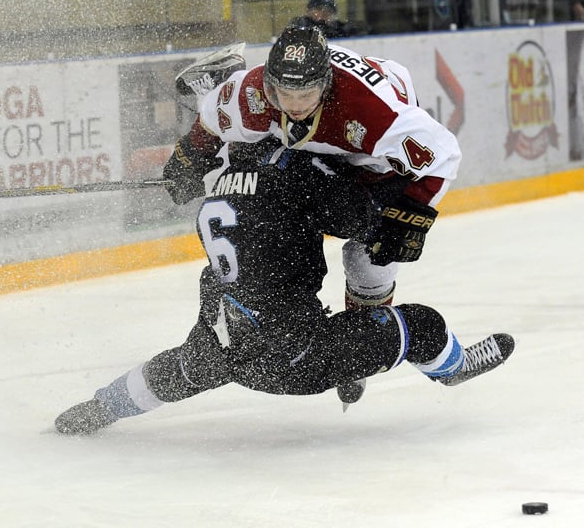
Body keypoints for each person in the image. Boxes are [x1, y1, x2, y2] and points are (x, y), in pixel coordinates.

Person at [55, 142, 514, 435]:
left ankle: (98, 408)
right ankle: (450, 368)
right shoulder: (297, 174)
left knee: (178, 369)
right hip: (296, 360)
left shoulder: (221, 184)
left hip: (224, 340)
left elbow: (265, 225)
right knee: (422, 325)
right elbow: (361, 222)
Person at [169, 26, 461, 404]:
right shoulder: (254, 95)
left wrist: (410, 216)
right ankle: (217, 77)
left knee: (369, 257)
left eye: (304, 93)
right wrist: (191, 155)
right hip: (318, 149)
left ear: (326, 84)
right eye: (282, 93)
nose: (292, 104)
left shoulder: (375, 112)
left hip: (370, 162)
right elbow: (212, 119)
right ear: (270, 83)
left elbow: (444, 155)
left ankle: (363, 338)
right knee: (245, 157)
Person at [289, 0, 361, 39]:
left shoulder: (339, 28)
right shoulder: (301, 24)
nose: (324, 13)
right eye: (319, 9)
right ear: (308, 11)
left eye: (329, 10)